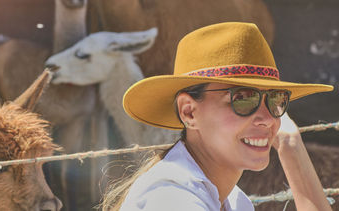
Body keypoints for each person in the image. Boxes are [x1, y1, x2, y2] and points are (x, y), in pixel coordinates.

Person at [100, 22, 333, 211]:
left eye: (276, 99)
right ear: (189, 112)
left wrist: (291, 146)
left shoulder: (234, 201)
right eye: (243, 98)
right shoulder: (171, 199)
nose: (268, 118)